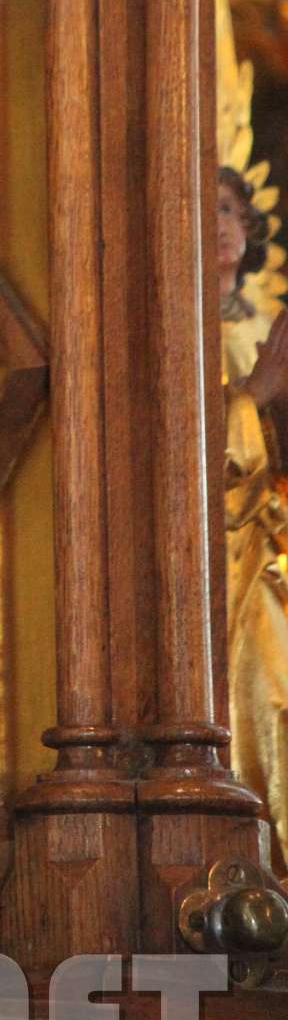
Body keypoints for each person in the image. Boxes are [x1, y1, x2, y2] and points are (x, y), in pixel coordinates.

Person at [220, 162, 288, 870]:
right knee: (262, 701)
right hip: (226, 560)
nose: (216, 225)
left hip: (274, 541)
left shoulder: (266, 328)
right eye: (202, 209)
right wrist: (252, 397)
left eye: (228, 210)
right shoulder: (174, 328)